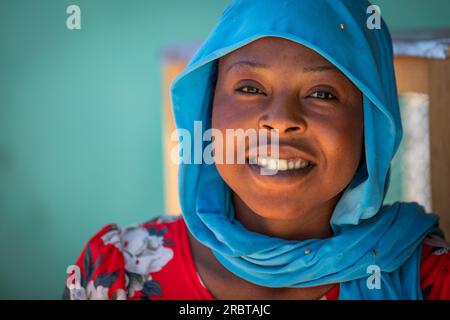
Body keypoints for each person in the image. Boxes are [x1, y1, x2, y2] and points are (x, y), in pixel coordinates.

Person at [63, 0, 450, 300]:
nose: (280, 120)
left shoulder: (428, 279)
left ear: (372, 127)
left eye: (322, 94)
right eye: (250, 88)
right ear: (207, 109)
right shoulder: (115, 273)